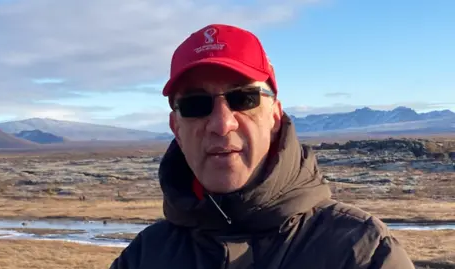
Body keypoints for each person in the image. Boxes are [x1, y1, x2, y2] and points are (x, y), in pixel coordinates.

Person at [109, 23, 415, 269]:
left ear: (275, 117)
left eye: (243, 99)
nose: (222, 124)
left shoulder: (363, 252)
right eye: (195, 105)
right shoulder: (144, 256)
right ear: (176, 128)